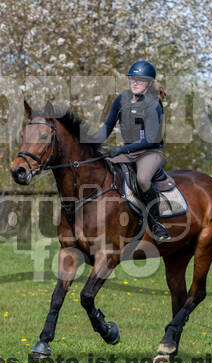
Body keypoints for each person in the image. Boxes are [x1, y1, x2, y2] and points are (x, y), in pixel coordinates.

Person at [89, 60, 171, 242]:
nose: (135, 83)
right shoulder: (122, 99)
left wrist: (121, 149)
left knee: (142, 179)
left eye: (140, 80)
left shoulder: (153, 104)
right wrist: (90, 142)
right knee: (100, 172)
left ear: (149, 83)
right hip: (126, 152)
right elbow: (108, 126)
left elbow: (150, 139)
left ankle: (156, 223)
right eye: (133, 79)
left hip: (149, 153)